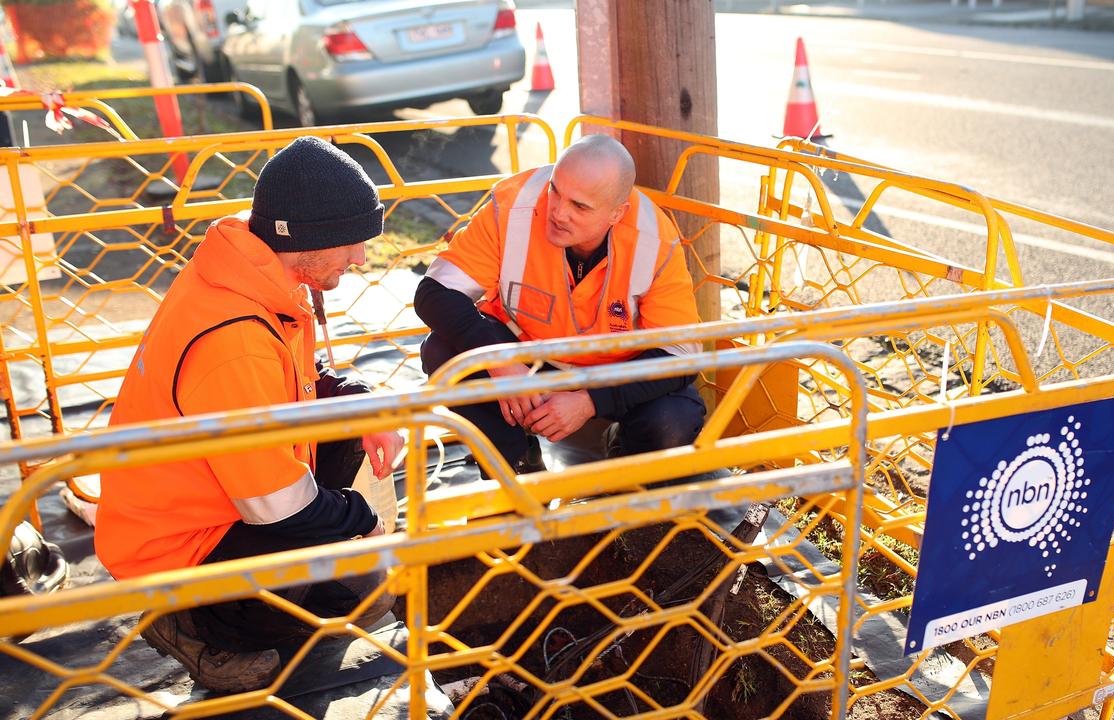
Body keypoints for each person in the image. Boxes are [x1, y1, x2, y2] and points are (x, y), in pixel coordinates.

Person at [95, 136, 404, 693]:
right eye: (352, 241)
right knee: (313, 550)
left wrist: (364, 399)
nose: (360, 257)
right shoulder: (233, 338)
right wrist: (364, 522)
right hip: (179, 547)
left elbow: (291, 382)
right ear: (308, 236)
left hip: (223, 496)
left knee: (349, 446)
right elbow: (277, 510)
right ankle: (187, 623)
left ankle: (298, 589)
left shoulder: (258, 271)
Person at [415, 134, 705, 473]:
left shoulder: (654, 239)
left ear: (617, 213)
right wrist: (501, 363)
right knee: (441, 352)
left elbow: (680, 356)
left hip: (614, 373)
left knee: (672, 421)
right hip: (528, 358)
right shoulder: (512, 204)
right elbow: (434, 293)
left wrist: (590, 401)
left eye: (580, 206)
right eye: (555, 189)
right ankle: (518, 465)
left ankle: (624, 474)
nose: (558, 212)